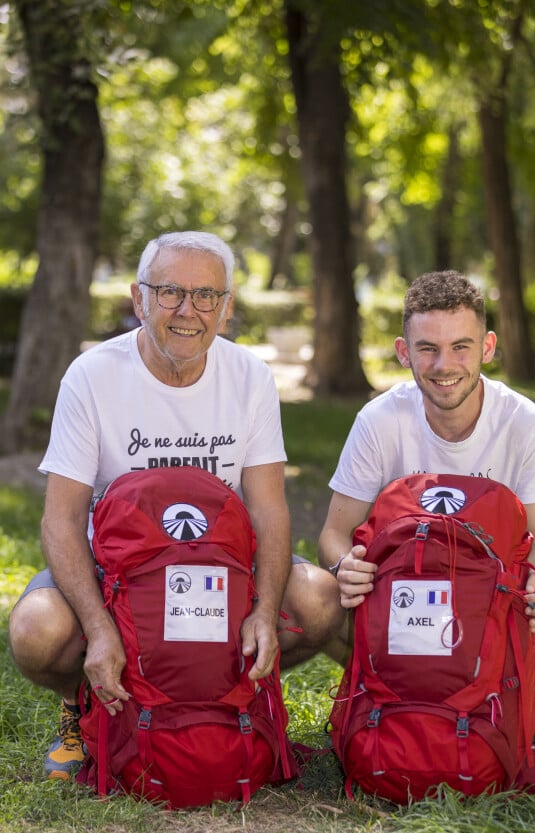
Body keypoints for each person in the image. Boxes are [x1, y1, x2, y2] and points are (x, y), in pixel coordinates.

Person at [9, 231, 343, 780]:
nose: (188, 310)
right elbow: (61, 520)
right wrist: (97, 627)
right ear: (139, 300)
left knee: (317, 600)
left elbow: (268, 510)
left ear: (227, 308)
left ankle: (230, 700)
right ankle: (84, 708)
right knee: (36, 630)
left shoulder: (250, 377)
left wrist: (263, 611)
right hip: (116, 575)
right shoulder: (92, 377)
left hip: (219, 570)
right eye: (169, 292)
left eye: (206, 295)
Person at [318, 269, 535, 748]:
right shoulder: (379, 421)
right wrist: (344, 566)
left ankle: (529, 702)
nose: (444, 364)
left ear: (488, 347)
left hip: (489, 596)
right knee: (316, 597)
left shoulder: (523, 422)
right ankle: (378, 691)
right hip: (403, 596)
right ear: (403, 352)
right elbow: (333, 536)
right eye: (427, 348)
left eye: (461, 346)